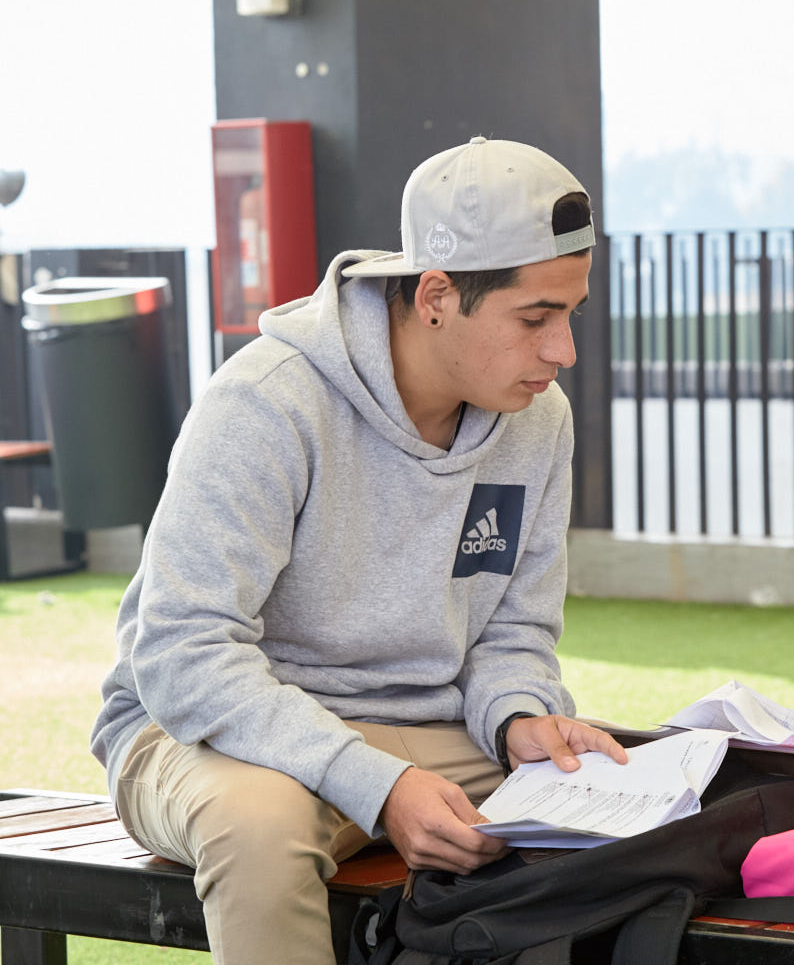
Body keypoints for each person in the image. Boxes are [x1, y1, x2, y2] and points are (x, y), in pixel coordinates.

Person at [89, 136, 628, 963]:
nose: (564, 352)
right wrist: (377, 785)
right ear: (438, 294)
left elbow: (514, 634)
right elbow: (182, 654)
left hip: (431, 728)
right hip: (213, 736)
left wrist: (519, 715)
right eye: (536, 318)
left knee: (632, 790)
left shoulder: (536, 419)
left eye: (571, 313)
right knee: (259, 831)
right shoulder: (268, 403)